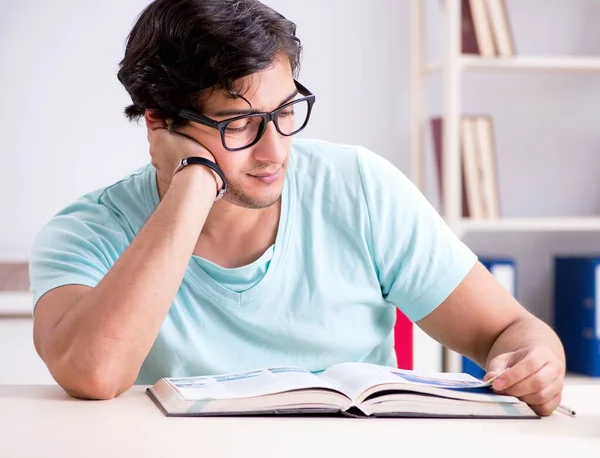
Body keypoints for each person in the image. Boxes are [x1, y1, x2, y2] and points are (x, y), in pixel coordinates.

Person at [29, 0, 566, 416]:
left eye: (285, 111)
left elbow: (510, 331)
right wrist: (194, 183)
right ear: (157, 122)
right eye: (237, 123)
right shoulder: (89, 230)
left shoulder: (359, 187)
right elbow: (94, 374)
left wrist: (537, 360)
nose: (275, 150)